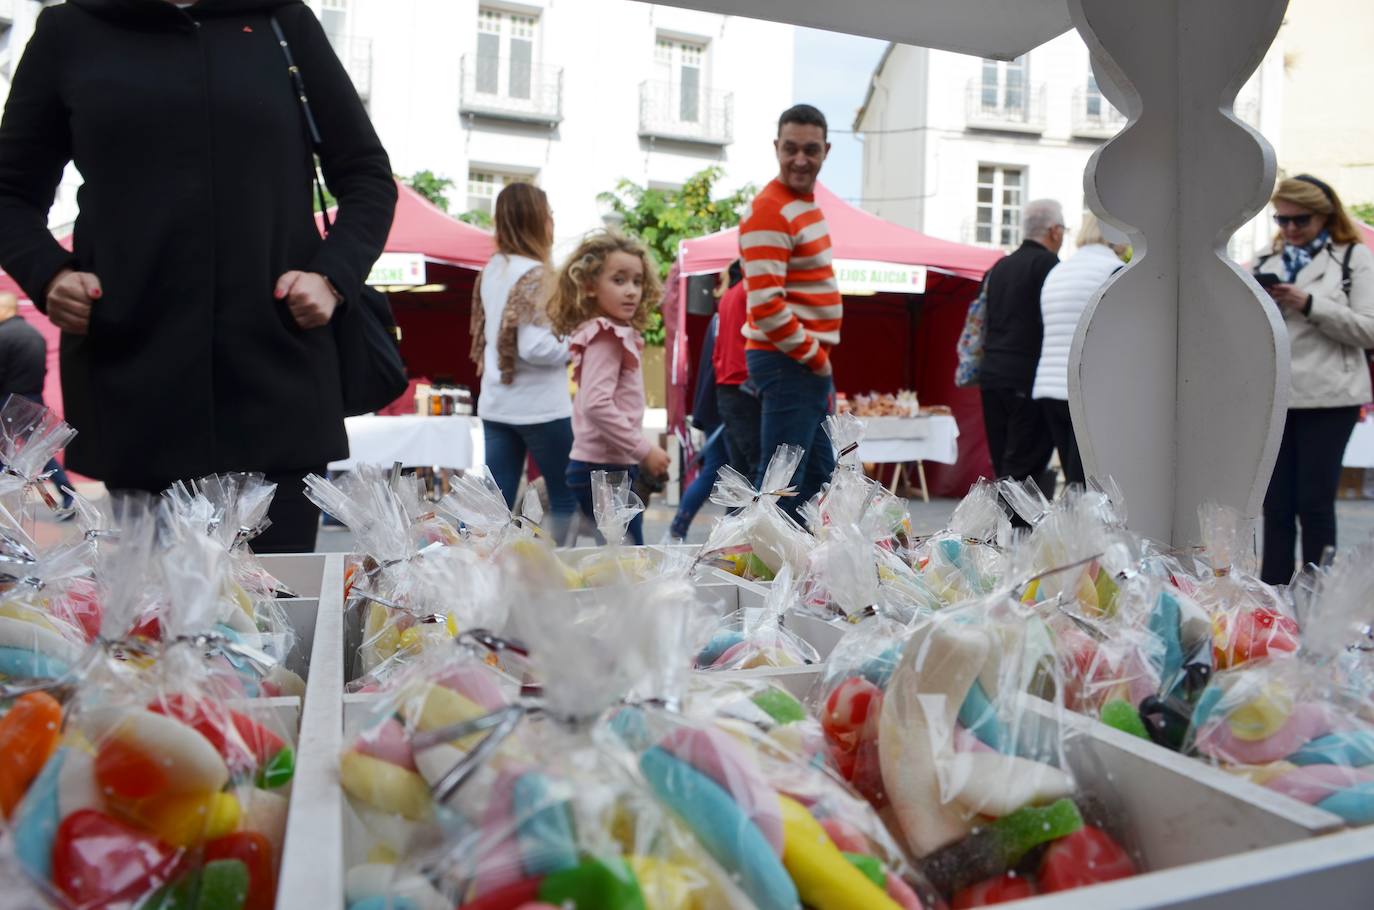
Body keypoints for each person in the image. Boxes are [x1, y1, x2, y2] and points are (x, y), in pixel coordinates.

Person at [0, 0, 397, 553]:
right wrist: (48, 275)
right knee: (158, 629)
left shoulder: (283, 22)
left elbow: (368, 177)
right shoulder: (72, 31)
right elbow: (10, 193)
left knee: (281, 619)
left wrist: (333, 278)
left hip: (279, 377)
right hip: (136, 381)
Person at [1254, 175, 1374, 585]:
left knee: (1315, 504)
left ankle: (1317, 595)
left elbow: (1369, 329)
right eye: (1281, 219)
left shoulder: (1353, 258)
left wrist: (1308, 304)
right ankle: (1270, 597)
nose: (1289, 228)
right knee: (1276, 506)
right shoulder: (1264, 262)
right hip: (1277, 400)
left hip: (1330, 398)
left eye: (1299, 220)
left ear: (1324, 216)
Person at [740, 104, 840, 515]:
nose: (801, 159)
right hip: (789, 362)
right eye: (791, 148)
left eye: (811, 150)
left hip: (795, 363)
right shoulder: (773, 207)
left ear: (826, 150)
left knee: (814, 480)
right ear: (776, 148)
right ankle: (768, 572)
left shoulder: (798, 204)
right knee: (785, 485)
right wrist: (816, 359)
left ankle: (798, 572)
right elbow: (765, 305)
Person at [548, 232, 670, 546]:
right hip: (601, 469)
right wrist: (645, 450)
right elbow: (596, 403)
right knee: (628, 559)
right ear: (590, 286)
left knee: (618, 557)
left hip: (604, 466)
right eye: (619, 280)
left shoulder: (611, 333)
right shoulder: (606, 336)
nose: (631, 291)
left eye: (637, 281)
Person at [470, 183, 576, 543]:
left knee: (493, 507)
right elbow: (535, 348)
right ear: (538, 220)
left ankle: (486, 579)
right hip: (542, 408)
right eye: (549, 215)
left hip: (498, 404)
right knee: (566, 496)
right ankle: (560, 575)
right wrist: (578, 341)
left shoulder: (493, 268)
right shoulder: (537, 273)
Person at [1031, 213, 1127, 486]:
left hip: (1049, 385)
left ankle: (1072, 527)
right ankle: (1081, 529)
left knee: (1074, 481)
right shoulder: (1114, 270)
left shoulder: (1058, 271)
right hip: (1087, 390)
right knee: (1089, 481)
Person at [980, 199, 1066, 493]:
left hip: (991, 374)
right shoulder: (1050, 267)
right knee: (1023, 469)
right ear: (1055, 231)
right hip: (1026, 375)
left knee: (1003, 465)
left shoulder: (998, 267)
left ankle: (1003, 532)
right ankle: (1015, 536)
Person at [0, 292, 73, 509]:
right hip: (32, 400)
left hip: (6, 401)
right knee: (39, 451)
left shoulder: (3, 335)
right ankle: (68, 492)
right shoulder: (35, 335)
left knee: (9, 452)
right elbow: (43, 370)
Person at [669, 311, 729, 540]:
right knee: (731, 473)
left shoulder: (717, 317)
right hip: (724, 407)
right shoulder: (729, 315)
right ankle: (725, 537)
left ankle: (678, 527)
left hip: (713, 405)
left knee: (714, 471)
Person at [714, 261, 761, 481]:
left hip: (727, 386)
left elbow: (718, 350)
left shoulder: (728, 295)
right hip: (743, 385)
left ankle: (736, 515)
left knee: (739, 471)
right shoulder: (748, 290)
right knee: (756, 468)